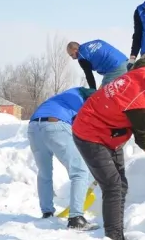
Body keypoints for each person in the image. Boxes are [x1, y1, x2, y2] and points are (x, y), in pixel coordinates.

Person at [71, 59, 145, 240]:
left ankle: (116, 233)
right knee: (113, 186)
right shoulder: (141, 106)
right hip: (89, 133)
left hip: (112, 132)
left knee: (120, 186)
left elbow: (141, 62)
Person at [27, 86, 97, 230]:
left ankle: (47, 213)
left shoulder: (65, 96)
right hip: (55, 125)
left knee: (44, 173)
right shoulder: (84, 100)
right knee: (80, 172)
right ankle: (76, 218)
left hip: (33, 127)